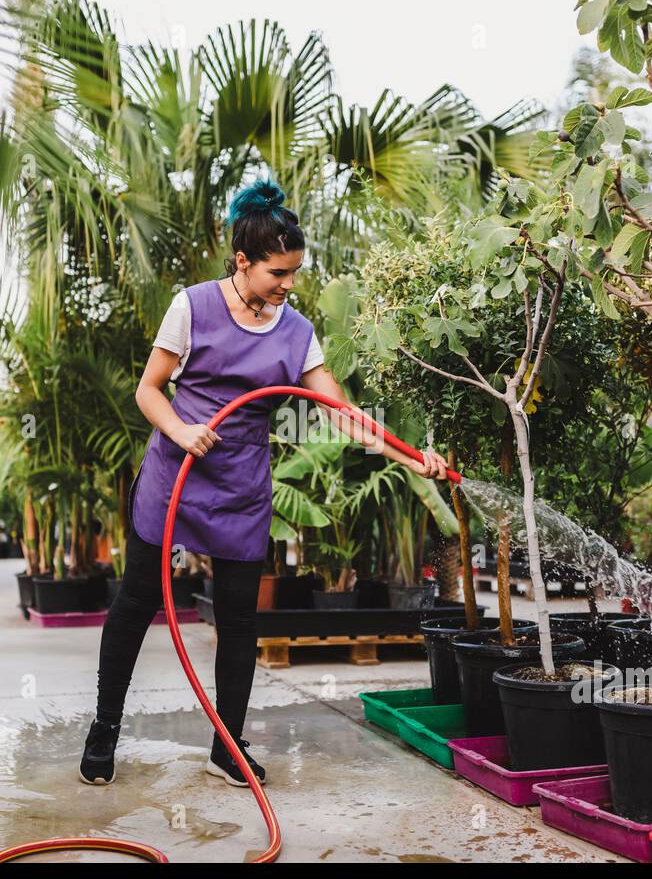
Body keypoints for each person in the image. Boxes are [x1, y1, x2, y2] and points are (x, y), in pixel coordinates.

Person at [79, 177, 448, 787]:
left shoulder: (296, 330)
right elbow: (148, 389)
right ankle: (105, 729)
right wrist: (181, 430)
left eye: (296, 272)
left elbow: (339, 409)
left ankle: (227, 745)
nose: (288, 285)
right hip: (177, 469)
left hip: (242, 481)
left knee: (239, 619)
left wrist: (411, 459)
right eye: (278, 273)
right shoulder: (191, 306)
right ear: (242, 261)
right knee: (136, 602)